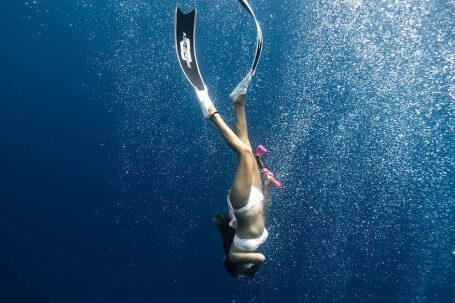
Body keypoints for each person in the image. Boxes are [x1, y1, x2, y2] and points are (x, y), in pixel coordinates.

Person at [199, 75, 274, 278]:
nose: (247, 271)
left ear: (235, 268)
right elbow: (264, 213)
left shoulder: (233, 256)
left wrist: (250, 269)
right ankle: (239, 100)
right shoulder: (251, 248)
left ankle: (211, 113)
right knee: (246, 145)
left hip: (242, 204)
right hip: (257, 197)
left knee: (244, 152)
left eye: (243, 272)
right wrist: (268, 186)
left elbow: (260, 259)